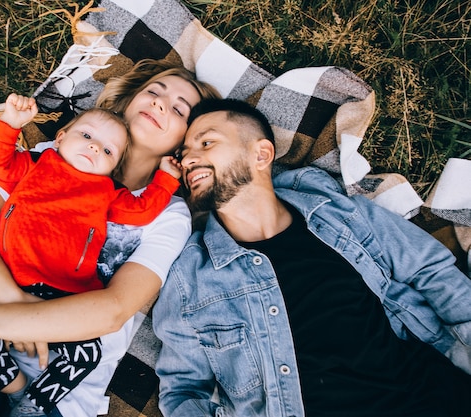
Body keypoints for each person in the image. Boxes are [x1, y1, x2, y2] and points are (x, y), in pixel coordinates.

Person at [0, 59, 220, 417]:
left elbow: (114, 309)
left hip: (61, 388)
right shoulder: (52, 159)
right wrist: (9, 305)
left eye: (180, 109)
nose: (162, 103)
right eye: (154, 91)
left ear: (185, 141)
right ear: (131, 99)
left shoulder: (168, 213)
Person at [153, 98, 471, 417]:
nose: (188, 159)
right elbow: (182, 392)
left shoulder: (341, 214)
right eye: (183, 154)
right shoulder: (189, 278)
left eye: (206, 142)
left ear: (261, 154)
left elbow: (434, 274)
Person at [0, 93, 183, 416]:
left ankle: (37, 402)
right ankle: (18, 389)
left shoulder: (106, 192)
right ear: (60, 137)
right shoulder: (36, 164)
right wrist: (9, 126)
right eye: (87, 136)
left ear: (113, 167)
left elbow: (141, 212)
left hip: (64, 295)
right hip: (11, 278)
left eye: (106, 151)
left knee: (86, 354)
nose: (93, 147)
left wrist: (165, 180)